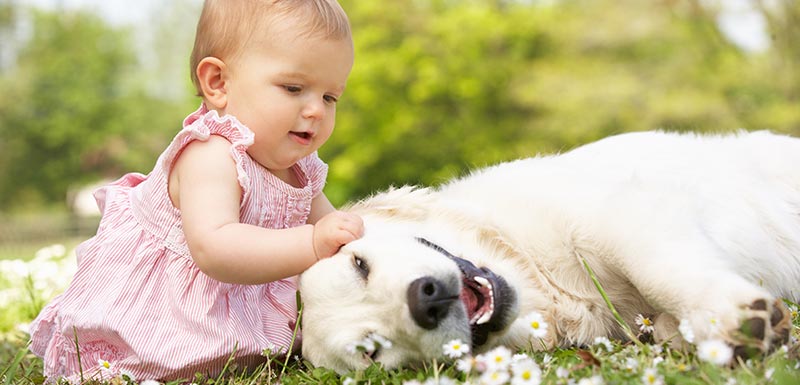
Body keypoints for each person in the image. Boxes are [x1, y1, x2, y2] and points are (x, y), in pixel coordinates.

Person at [28, 0, 363, 381]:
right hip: (158, 322)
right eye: (294, 87)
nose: (316, 110)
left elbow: (334, 228)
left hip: (230, 317)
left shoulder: (298, 170)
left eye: (330, 97)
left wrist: (355, 239)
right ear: (218, 83)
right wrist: (313, 243)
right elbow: (216, 247)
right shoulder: (210, 153)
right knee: (145, 364)